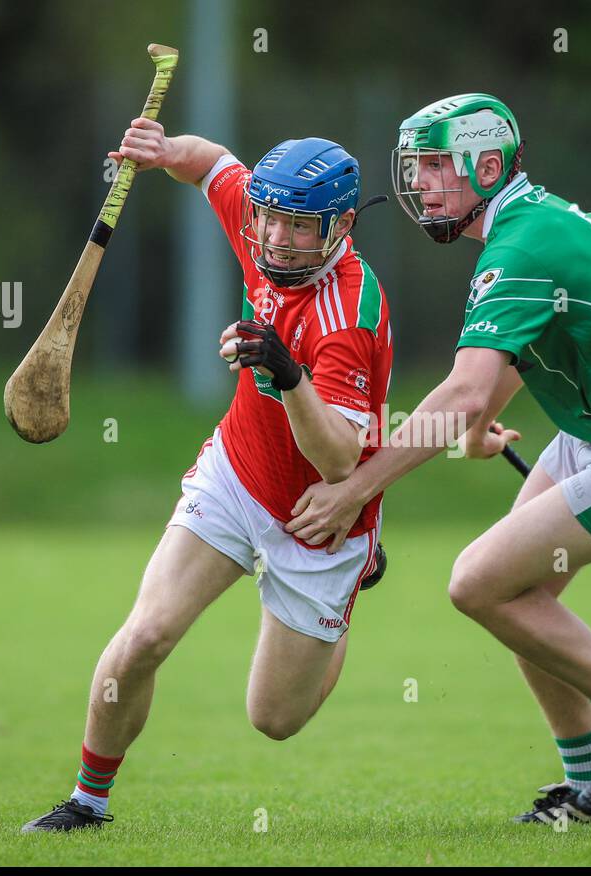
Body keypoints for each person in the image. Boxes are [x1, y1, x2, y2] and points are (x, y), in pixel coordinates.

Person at [285, 94, 591, 825]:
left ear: (487, 167)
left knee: (479, 584)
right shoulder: (525, 228)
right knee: (520, 593)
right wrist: (478, 426)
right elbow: (514, 360)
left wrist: (356, 489)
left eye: (437, 165)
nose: (422, 182)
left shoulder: (521, 245)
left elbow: (465, 388)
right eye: (418, 166)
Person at [22, 118, 392, 832]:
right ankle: (87, 801)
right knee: (145, 637)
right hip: (237, 472)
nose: (277, 239)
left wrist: (286, 371)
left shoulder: (350, 314)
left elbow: (341, 461)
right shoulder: (260, 216)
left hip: (323, 514)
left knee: (274, 719)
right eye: (269, 220)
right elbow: (213, 163)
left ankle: (348, 595)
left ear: (342, 225)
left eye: (299, 227)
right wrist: (165, 154)